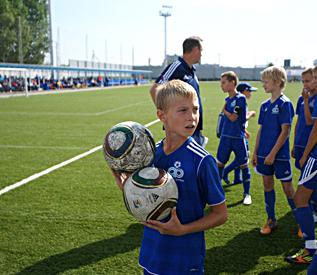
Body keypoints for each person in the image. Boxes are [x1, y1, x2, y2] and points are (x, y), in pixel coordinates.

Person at [113, 79, 227, 274]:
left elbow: (221, 214)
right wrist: (124, 183)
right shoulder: (149, 155)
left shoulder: (202, 161)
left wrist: (182, 230)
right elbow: (141, 195)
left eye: (195, 109)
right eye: (183, 110)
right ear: (161, 115)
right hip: (152, 251)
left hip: (185, 257)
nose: (192, 117)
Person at [252, 66, 296, 235]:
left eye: (266, 81)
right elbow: (261, 131)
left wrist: (273, 154)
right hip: (263, 154)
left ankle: (300, 221)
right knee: (267, 185)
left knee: (287, 188)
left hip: (280, 156)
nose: (263, 84)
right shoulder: (264, 105)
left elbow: (285, 132)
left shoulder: (285, 104)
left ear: (277, 83)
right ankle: (271, 220)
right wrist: (256, 152)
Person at [150, 36, 208, 148]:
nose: (202, 54)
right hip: (180, 130)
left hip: (193, 128)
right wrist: (166, 115)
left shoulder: (191, 71)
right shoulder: (177, 67)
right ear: (195, 50)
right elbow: (155, 89)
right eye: (201, 50)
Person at [285, 66, 317, 267]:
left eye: (313, 78)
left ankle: (310, 249)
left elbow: (315, 128)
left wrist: (305, 154)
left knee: (299, 198)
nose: (310, 82)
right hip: (310, 152)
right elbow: (303, 122)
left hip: (314, 155)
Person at [216, 72, 252, 205]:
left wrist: (224, 111)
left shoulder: (240, 98)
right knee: (219, 164)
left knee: (244, 165)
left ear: (232, 83)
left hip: (237, 138)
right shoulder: (227, 100)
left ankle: (247, 194)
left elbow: (233, 117)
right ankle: (218, 193)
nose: (221, 85)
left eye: (224, 82)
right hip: (225, 137)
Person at [222, 82, 257, 185]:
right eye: (249, 91)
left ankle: (237, 178)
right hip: (236, 134)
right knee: (243, 157)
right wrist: (250, 114)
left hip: (239, 131)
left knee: (240, 156)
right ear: (243, 91)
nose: (251, 93)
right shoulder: (240, 100)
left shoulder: (239, 100)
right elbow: (238, 117)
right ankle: (226, 171)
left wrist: (245, 131)